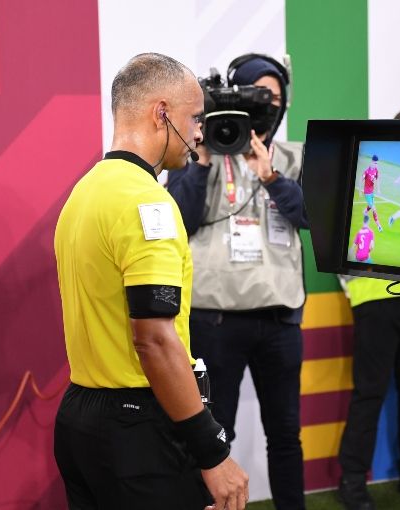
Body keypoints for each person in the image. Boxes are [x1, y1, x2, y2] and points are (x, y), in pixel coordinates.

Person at [53, 53, 249, 510]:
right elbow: (155, 340)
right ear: (162, 113)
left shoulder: (83, 193)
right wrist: (212, 451)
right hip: (137, 433)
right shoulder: (150, 205)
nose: (201, 132)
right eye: (195, 117)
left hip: (80, 420)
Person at [166, 54, 308, 510]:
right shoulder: (195, 155)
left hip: (280, 318)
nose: (268, 108)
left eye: (276, 100)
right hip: (215, 321)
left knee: (286, 435)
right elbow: (178, 222)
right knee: (213, 436)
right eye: (257, 97)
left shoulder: (292, 157)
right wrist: (202, 160)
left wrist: (269, 175)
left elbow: (311, 217)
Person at [336, 107, 400, 510]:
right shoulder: (361, 172)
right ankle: (352, 482)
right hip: (375, 299)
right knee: (370, 393)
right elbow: (340, 233)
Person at [360, 155, 384, 231]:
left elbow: (377, 179)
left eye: (377, 163)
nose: (376, 164)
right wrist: (360, 190)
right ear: (372, 162)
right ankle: (379, 226)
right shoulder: (366, 171)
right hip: (367, 192)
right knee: (374, 208)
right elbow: (361, 180)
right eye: (375, 163)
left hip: (371, 192)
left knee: (370, 206)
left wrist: (378, 189)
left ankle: (364, 212)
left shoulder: (376, 170)